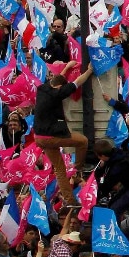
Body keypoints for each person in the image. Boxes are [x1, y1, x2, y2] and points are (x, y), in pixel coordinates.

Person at [32, 62, 95, 206]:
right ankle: (78, 167)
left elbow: (57, 79)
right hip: (50, 137)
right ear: (60, 88)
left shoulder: (42, 89)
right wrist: (89, 71)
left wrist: (66, 69)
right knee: (83, 141)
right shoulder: (57, 94)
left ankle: (70, 200)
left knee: (59, 169)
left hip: (39, 137)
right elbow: (76, 83)